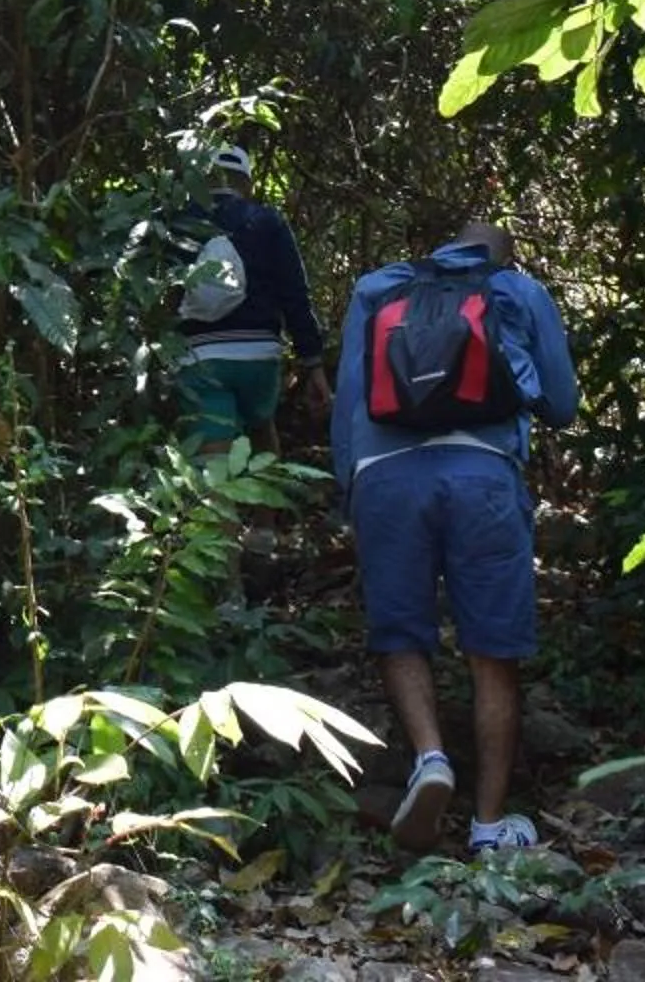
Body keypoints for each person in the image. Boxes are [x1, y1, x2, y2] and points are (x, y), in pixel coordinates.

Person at [330, 218, 577, 856]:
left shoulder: (377, 288)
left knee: (401, 631)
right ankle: (490, 825)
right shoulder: (517, 291)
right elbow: (562, 404)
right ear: (500, 254)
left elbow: (350, 403)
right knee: (493, 647)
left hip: (386, 479)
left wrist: (351, 487)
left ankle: (431, 758)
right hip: (481, 476)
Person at [171, 144, 329, 459]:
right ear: (247, 183)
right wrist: (312, 363)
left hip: (200, 357)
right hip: (260, 355)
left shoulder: (178, 223)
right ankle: (266, 509)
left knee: (213, 459)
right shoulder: (267, 222)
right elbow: (295, 295)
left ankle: (216, 505)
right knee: (261, 431)